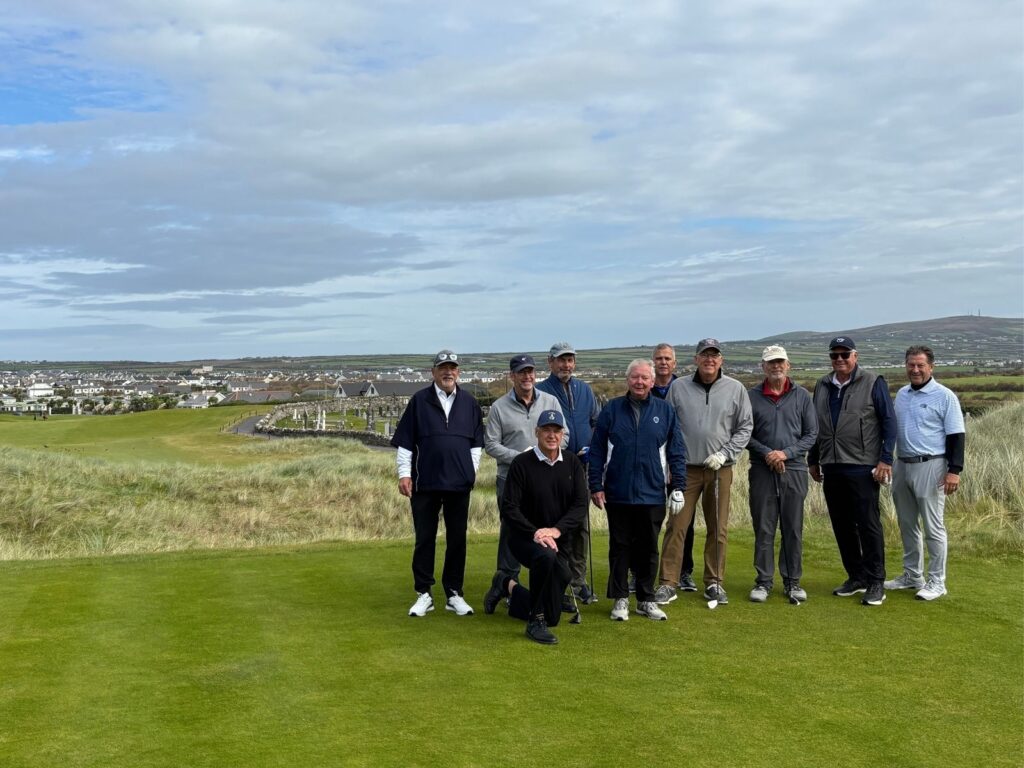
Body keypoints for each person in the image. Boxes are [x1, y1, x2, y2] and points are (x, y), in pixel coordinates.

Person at [656, 339, 752, 607]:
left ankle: (714, 582)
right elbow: (668, 425)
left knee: (718, 527)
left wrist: (726, 453)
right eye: (704, 355)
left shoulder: (736, 389)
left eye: (714, 355)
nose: (710, 359)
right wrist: (669, 464)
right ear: (696, 359)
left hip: (720, 468)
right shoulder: (678, 387)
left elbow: (745, 427)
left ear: (721, 360)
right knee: (676, 525)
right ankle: (667, 583)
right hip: (685, 469)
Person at [589, 359, 687, 622]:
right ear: (627, 380)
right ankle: (620, 598)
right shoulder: (611, 410)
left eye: (644, 378)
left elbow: (676, 451)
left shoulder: (665, 411)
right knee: (620, 546)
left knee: (648, 548)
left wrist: (678, 486)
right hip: (618, 492)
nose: (640, 382)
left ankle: (645, 599)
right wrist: (595, 485)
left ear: (652, 381)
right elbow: (597, 450)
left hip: (653, 492)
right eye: (635, 377)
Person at [391, 350, 484, 618]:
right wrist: (404, 474)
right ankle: (424, 594)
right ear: (433, 372)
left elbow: (476, 444)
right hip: (425, 482)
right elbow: (406, 443)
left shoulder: (469, 403)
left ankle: (454, 593)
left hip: (459, 483)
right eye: (443, 367)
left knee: (457, 540)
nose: (448, 372)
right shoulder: (419, 401)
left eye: (452, 368)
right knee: (425, 539)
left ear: (458, 372)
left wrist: (471, 472)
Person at [808, 336, 897, 607]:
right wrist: (813, 459)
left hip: (862, 465)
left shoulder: (873, 382)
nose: (839, 360)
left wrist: (885, 459)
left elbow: (889, 422)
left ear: (855, 356)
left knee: (868, 524)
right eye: (835, 355)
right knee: (842, 525)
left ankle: (875, 581)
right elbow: (816, 426)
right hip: (832, 466)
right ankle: (856, 576)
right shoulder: (822, 385)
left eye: (844, 355)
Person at [495, 410, 590, 644]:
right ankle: (534, 621)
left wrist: (556, 530)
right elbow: (509, 508)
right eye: (546, 430)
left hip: (557, 539)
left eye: (556, 430)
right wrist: (535, 532)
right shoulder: (521, 463)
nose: (551, 435)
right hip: (523, 538)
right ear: (536, 433)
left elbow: (580, 504)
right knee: (545, 557)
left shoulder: (572, 463)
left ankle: (506, 585)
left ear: (562, 434)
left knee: (555, 611)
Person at [482, 355, 567, 614]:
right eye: (521, 372)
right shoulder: (499, 407)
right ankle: (508, 583)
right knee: (512, 533)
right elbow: (491, 444)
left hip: (545, 481)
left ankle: (546, 589)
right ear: (512, 376)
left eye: (530, 371)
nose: (527, 376)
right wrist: (522, 459)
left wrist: (543, 458)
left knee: (543, 532)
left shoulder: (550, 402)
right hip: (510, 480)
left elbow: (565, 436)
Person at [884, 345, 965, 601]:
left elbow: (956, 436)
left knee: (933, 527)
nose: (915, 369)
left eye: (920, 365)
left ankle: (937, 581)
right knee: (907, 524)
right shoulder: (903, 394)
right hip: (902, 464)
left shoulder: (945, 396)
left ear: (931, 366)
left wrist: (955, 471)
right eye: (911, 364)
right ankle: (912, 575)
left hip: (932, 466)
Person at [745, 345, 818, 603]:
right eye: (771, 363)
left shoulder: (802, 396)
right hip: (762, 470)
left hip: (794, 469)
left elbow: (811, 434)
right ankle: (763, 582)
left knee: (792, 528)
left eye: (780, 362)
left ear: (788, 365)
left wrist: (785, 453)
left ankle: (792, 581)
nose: (776, 366)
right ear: (763, 366)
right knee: (764, 527)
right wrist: (769, 454)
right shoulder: (751, 396)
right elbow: (746, 434)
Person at [535, 341, 601, 604]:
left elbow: (597, 422)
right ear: (550, 363)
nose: (566, 365)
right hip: (552, 468)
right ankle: (557, 581)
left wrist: (593, 448)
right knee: (555, 525)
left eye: (570, 360)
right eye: (561, 360)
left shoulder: (584, 389)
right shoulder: (542, 391)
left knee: (579, 527)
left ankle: (578, 580)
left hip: (581, 467)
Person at [650, 343, 697, 593]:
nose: (663, 362)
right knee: (648, 522)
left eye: (668, 358)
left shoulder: (685, 388)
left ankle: (684, 571)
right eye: (659, 358)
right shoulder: (644, 388)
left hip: (680, 464)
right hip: (651, 468)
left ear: (675, 363)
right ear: (653, 362)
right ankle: (640, 572)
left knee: (684, 522)